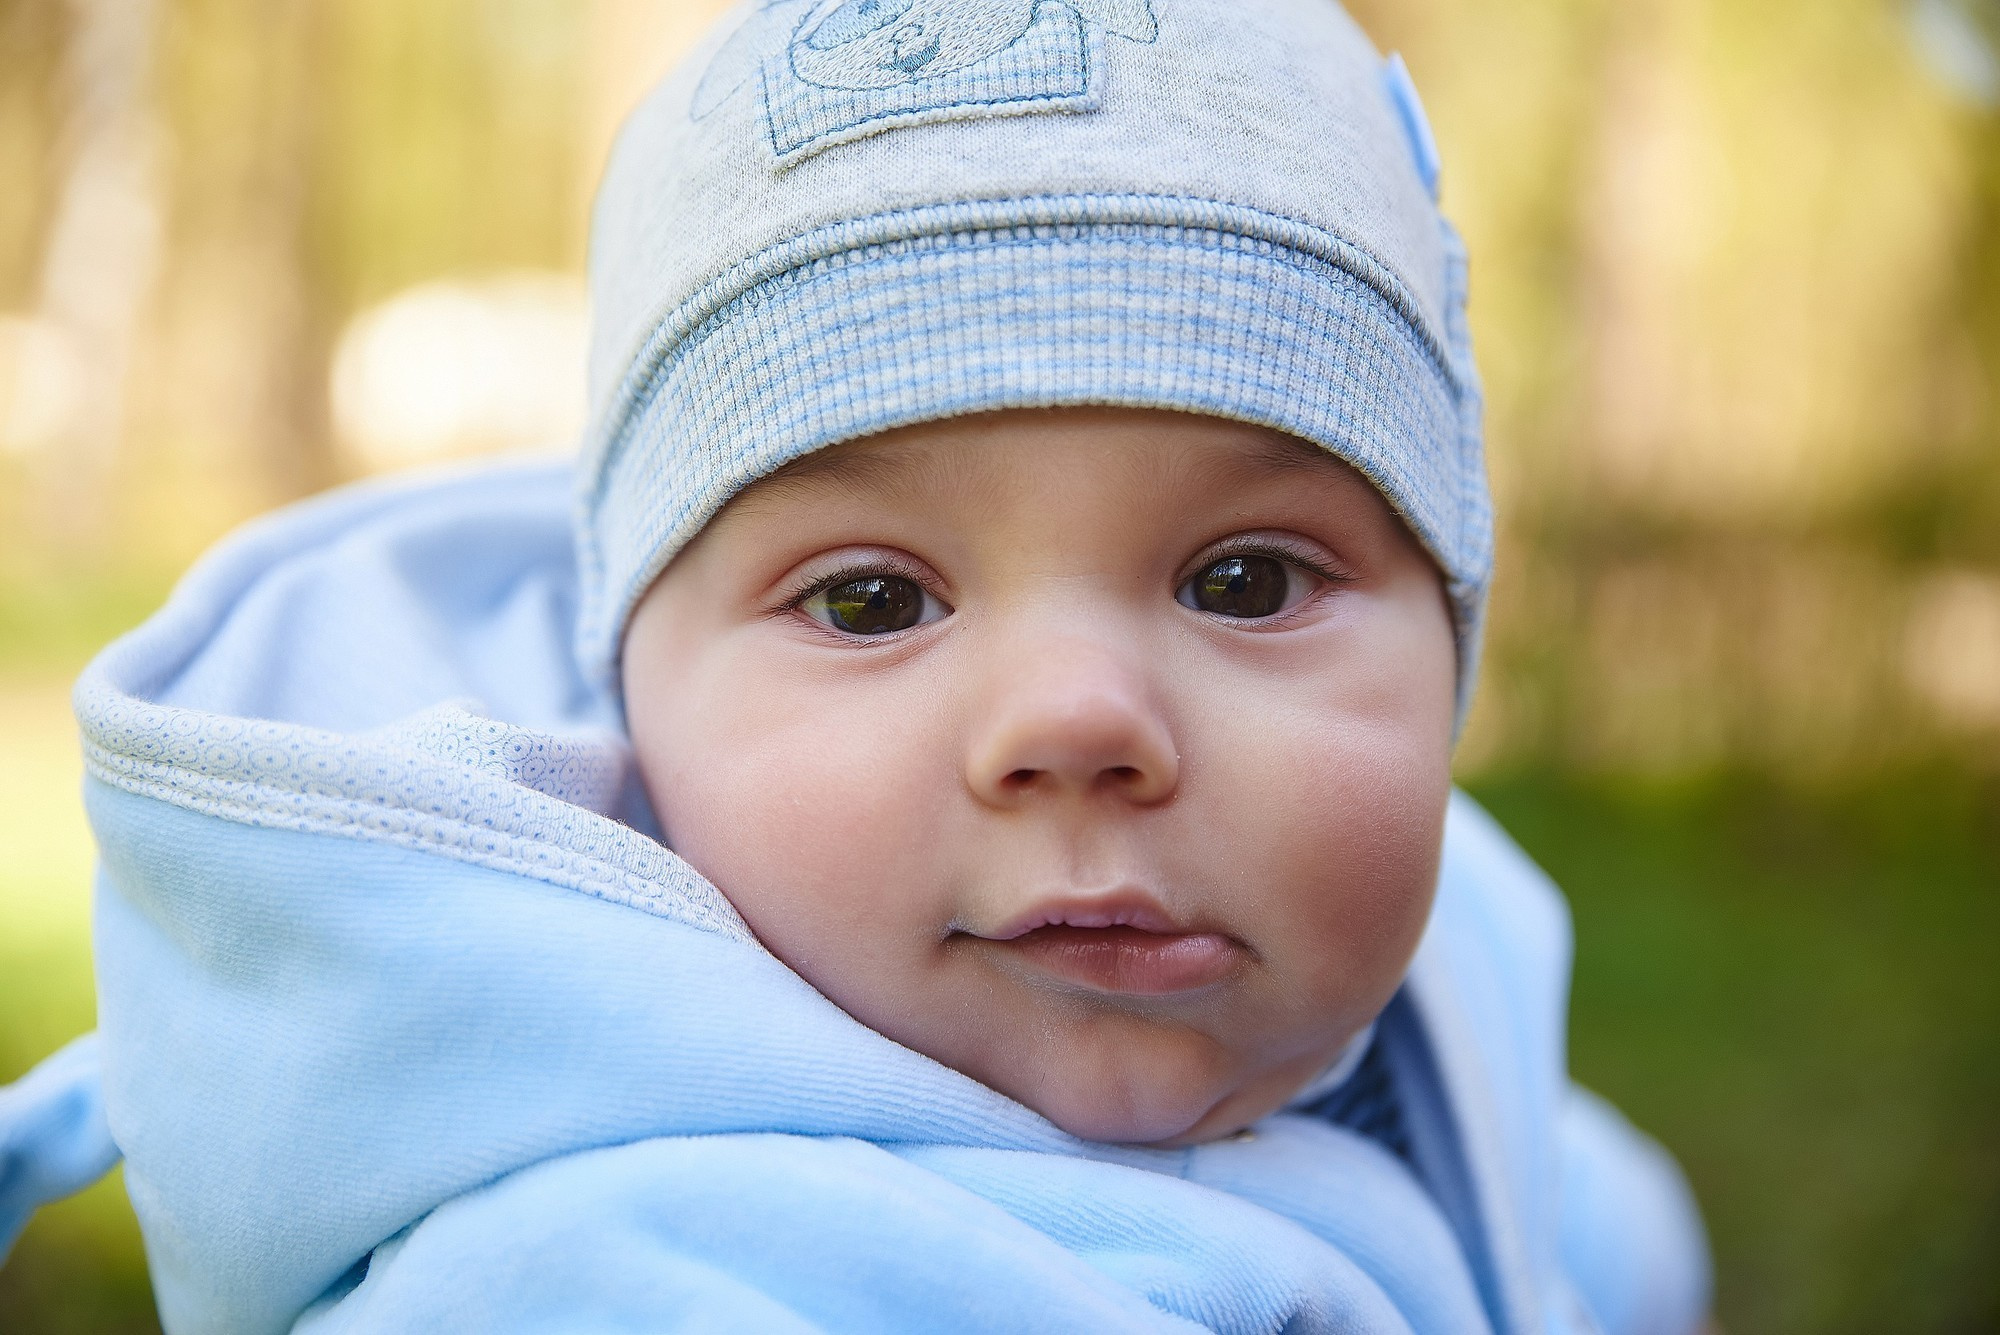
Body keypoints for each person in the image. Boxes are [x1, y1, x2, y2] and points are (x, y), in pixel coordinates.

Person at [0, 0, 1713, 1330]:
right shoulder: (643, 1273)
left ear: (1451, 637)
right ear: (632, 705)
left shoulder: (1434, 1003)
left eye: (1246, 578)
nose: (1077, 722)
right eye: (875, 603)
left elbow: (1593, 1231)